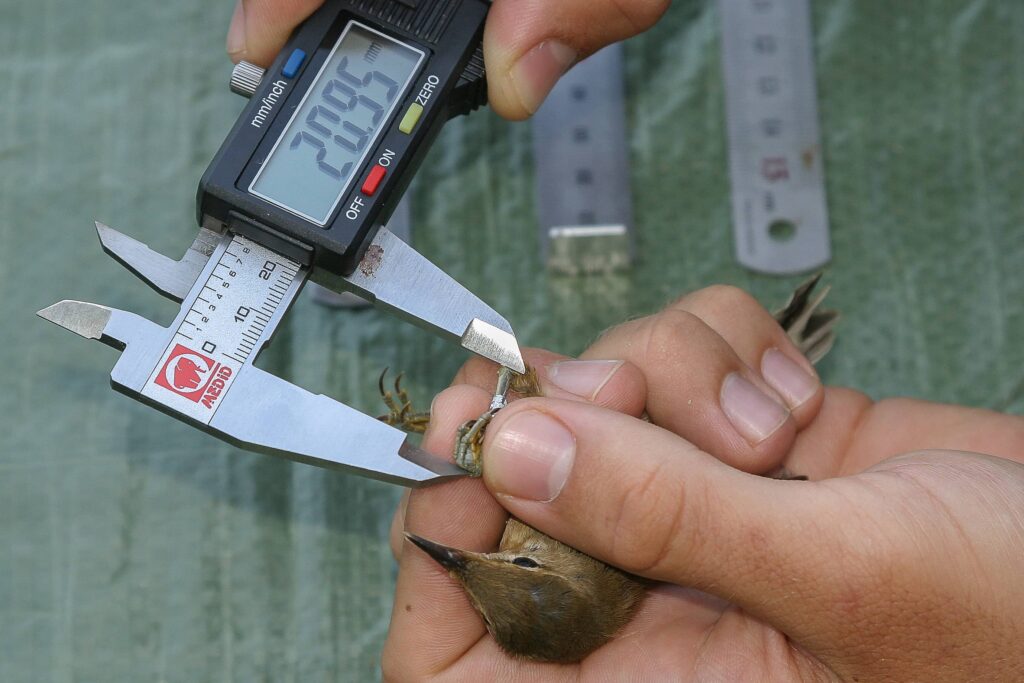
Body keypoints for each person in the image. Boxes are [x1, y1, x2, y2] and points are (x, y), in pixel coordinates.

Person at [228, 2, 1024, 680]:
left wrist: (423, 437)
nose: (470, 555)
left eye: (484, 565)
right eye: (519, 559)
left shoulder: (528, 532)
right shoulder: (615, 536)